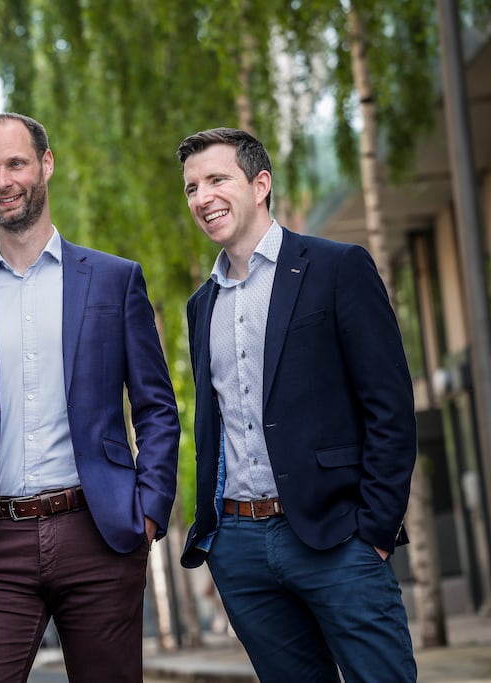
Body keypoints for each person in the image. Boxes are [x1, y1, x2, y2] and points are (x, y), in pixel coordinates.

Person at [0, 112, 181, 682]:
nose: (3, 181)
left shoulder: (113, 280)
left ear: (46, 165)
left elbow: (155, 406)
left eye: (16, 164)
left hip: (99, 532)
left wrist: (150, 510)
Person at [177, 127, 417, 682]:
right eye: (191, 188)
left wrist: (375, 531)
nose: (202, 197)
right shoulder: (200, 306)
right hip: (240, 549)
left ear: (260, 184)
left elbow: (389, 404)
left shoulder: (336, 268)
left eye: (217, 179)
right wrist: (219, 544)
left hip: (338, 537)